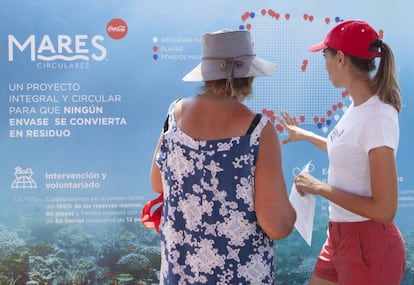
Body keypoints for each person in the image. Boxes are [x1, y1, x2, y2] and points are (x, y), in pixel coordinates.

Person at [150, 29, 296, 284]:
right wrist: (295, 210)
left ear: (206, 75)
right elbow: (276, 226)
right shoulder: (258, 130)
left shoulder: (175, 114)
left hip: (179, 275)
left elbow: (156, 182)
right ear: (249, 75)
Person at [276, 20, 406, 285]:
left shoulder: (377, 116)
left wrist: (319, 187)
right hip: (339, 238)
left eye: (325, 55)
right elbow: (348, 151)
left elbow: (385, 209)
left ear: (341, 59)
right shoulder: (358, 107)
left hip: (368, 247)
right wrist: (305, 135)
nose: (324, 64)